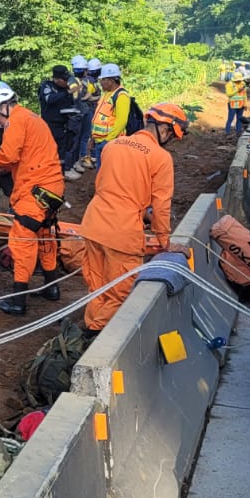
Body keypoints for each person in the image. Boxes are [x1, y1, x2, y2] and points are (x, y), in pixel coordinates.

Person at [79, 104, 187, 334]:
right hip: (122, 231)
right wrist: (164, 240)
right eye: (172, 135)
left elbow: (110, 185)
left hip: (94, 222)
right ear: (166, 129)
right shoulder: (161, 157)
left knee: (97, 286)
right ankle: (96, 334)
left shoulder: (112, 146)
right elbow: (161, 205)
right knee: (123, 292)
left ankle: (91, 326)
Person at [0, 86, 66, 316]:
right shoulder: (32, 118)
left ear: (4, 108)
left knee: (22, 240)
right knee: (44, 234)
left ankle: (18, 300)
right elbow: (23, 156)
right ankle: (52, 288)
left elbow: (9, 155)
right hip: (52, 188)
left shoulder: (16, 121)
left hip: (35, 190)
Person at [82, 63, 133, 180]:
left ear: (111, 80)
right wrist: (93, 138)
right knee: (101, 174)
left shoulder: (121, 96)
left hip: (111, 143)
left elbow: (121, 122)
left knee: (109, 175)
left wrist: (108, 141)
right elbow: (98, 118)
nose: (100, 82)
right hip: (100, 142)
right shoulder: (106, 95)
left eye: (103, 80)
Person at [38, 65, 75, 173]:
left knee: (62, 151)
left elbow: (70, 103)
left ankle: (61, 173)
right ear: (58, 79)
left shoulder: (65, 88)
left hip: (63, 124)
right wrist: (66, 92)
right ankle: (47, 173)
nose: (66, 82)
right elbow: (49, 99)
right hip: (50, 125)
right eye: (64, 80)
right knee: (49, 151)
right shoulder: (47, 86)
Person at [69, 58, 103, 175]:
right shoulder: (80, 81)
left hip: (85, 111)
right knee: (82, 137)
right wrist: (99, 98)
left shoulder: (82, 81)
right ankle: (81, 158)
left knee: (84, 137)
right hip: (84, 112)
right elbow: (85, 96)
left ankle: (81, 158)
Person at [60, 55, 89, 170]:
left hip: (80, 114)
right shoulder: (73, 81)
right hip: (74, 116)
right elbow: (73, 97)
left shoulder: (80, 81)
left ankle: (75, 163)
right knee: (72, 142)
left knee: (78, 141)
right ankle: (69, 166)